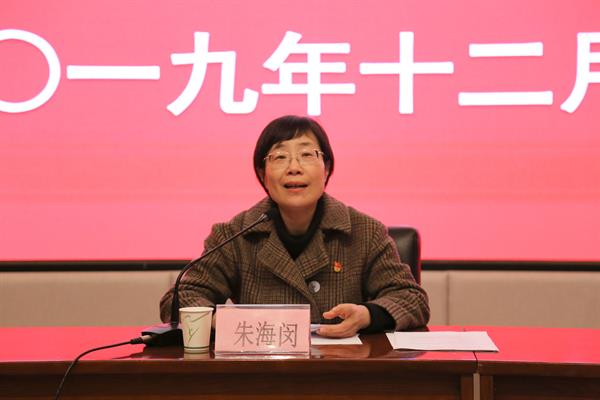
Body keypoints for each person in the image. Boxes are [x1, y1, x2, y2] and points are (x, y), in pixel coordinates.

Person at [160, 115, 429, 338]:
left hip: (344, 371)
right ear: (263, 174)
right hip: (261, 372)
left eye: (306, 154)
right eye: (279, 157)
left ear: (326, 169)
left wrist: (367, 315)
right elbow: (180, 298)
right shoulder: (235, 234)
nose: (294, 167)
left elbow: (411, 298)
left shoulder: (364, 231)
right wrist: (221, 322)